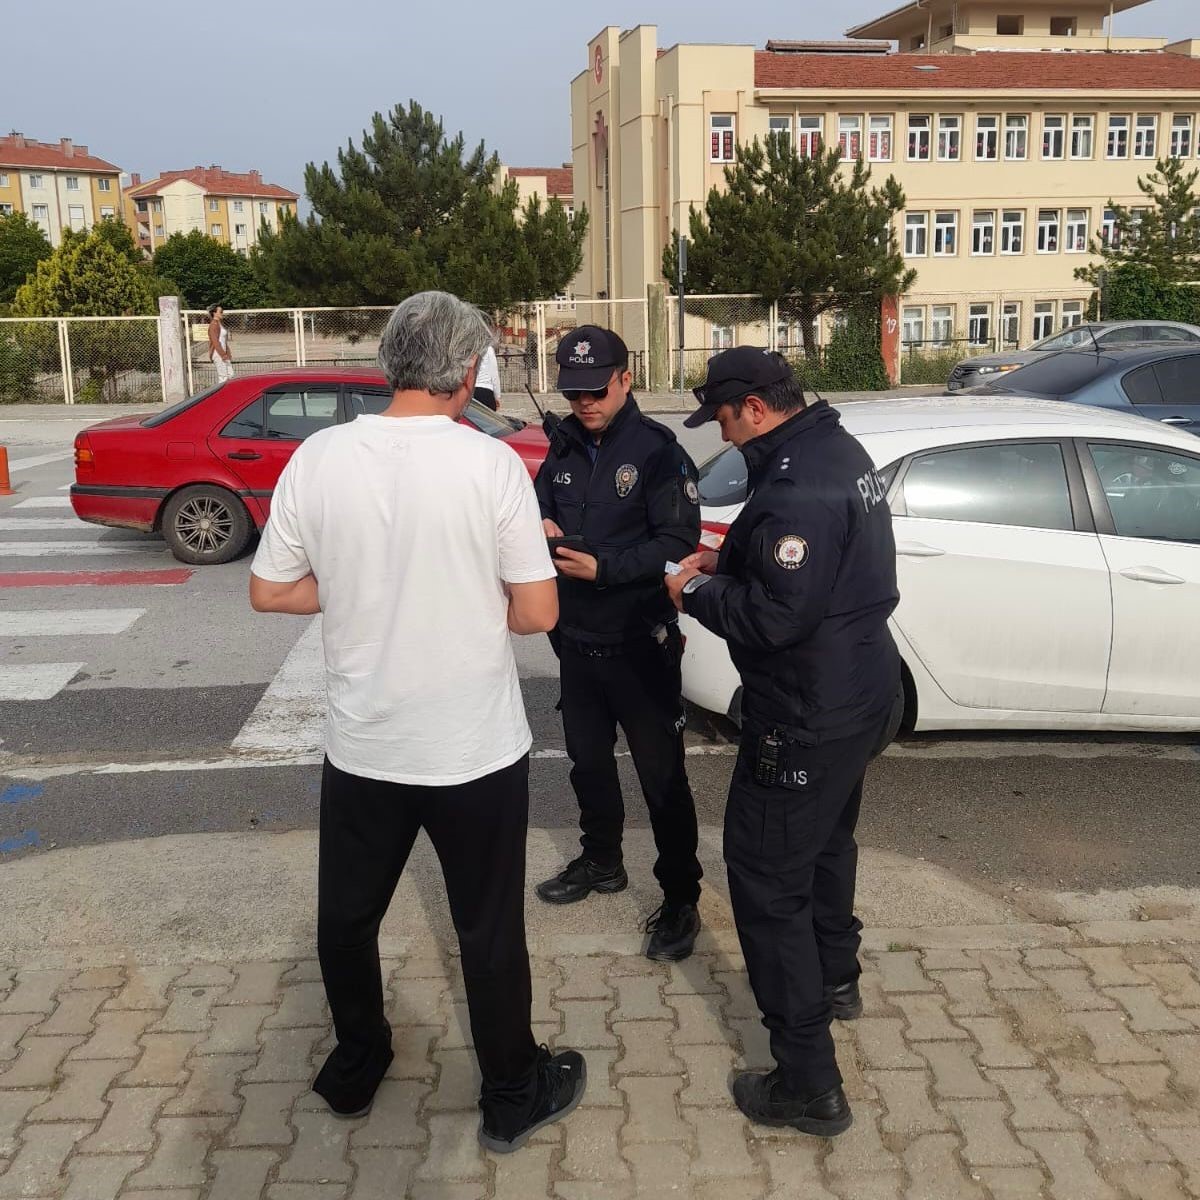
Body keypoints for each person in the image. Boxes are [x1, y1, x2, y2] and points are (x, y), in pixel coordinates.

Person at [248, 291, 587, 1154]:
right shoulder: (490, 465)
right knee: (487, 926)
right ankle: (512, 1091)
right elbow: (537, 614)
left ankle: (358, 1063)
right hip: (472, 746)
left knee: (347, 919)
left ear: (391, 362)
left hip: (365, 742)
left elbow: (271, 589)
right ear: (468, 370)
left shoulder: (321, 457)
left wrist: (365, 587)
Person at [665, 346, 900, 1137]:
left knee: (766, 881)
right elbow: (798, 574)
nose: (723, 436)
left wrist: (694, 588)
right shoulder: (837, 446)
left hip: (805, 712)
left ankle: (807, 1080)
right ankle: (836, 976)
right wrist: (727, 561)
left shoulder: (797, 484)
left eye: (725, 420)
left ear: (756, 408)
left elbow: (776, 616)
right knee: (829, 842)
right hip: (861, 692)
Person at [532, 325, 705, 963]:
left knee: (663, 779)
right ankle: (602, 861)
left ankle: (682, 897)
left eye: (596, 391)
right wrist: (538, 526)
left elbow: (678, 542)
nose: (584, 403)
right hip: (576, 643)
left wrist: (605, 568)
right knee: (589, 767)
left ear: (626, 380)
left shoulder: (658, 451)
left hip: (640, 642)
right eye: (573, 393)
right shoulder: (564, 446)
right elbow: (539, 511)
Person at [207, 304, 233, 382]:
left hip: (223, 354)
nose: (222, 313)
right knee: (223, 377)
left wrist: (228, 353)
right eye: (220, 312)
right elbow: (215, 342)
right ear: (215, 313)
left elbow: (224, 341)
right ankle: (222, 393)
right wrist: (223, 355)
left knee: (230, 374)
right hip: (218, 354)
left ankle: (228, 393)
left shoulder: (219, 324)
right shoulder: (213, 325)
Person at [473, 343, 503, 410]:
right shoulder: (488, 349)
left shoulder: (468, 348)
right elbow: (494, 374)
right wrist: (497, 396)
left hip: (471, 390)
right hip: (486, 390)